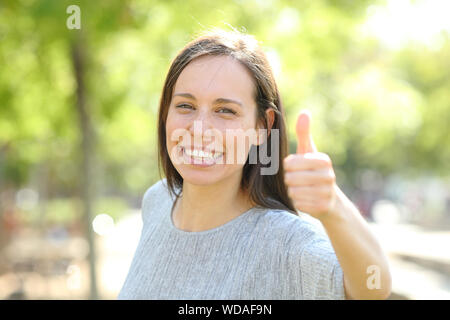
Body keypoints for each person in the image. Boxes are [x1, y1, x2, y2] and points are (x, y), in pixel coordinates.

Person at [118, 29, 392, 300]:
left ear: (262, 126)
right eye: (185, 106)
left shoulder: (285, 243)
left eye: (225, 110)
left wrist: (333, 206)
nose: (199, 129)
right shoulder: (157, 201)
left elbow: (373, 286)